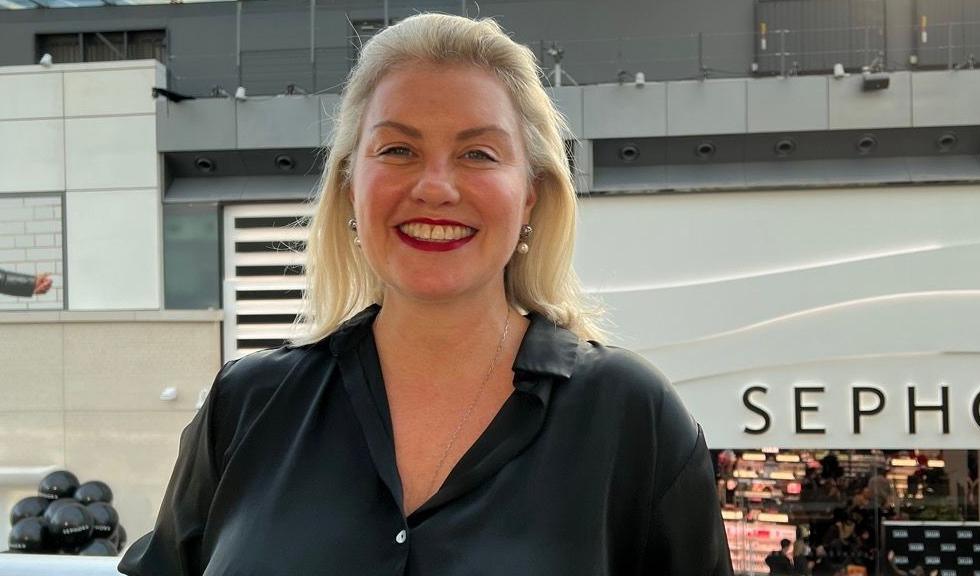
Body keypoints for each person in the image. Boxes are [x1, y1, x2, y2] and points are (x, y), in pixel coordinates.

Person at [118, 13, 732, 576]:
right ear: (350, 185)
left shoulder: (631, 418)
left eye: (478, 153)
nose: (435, 187)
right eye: (399, 150)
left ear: (531, 195)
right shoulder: (247, 405)